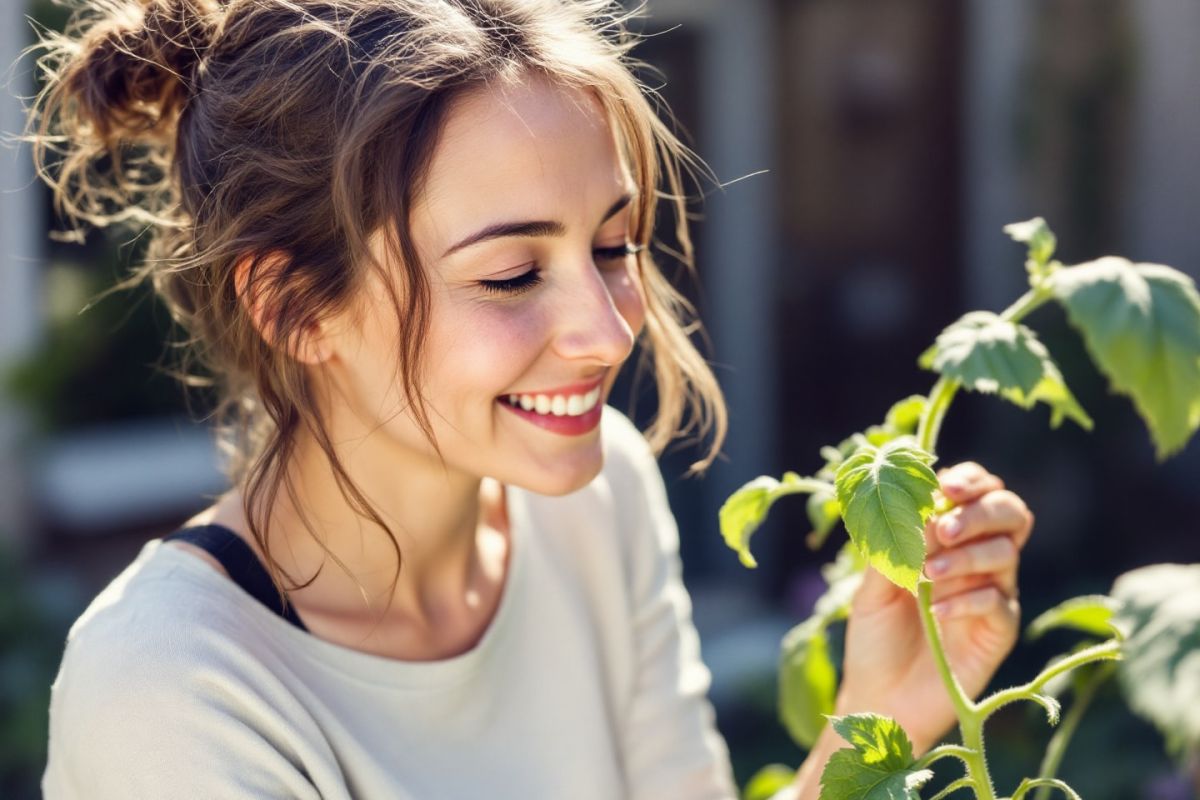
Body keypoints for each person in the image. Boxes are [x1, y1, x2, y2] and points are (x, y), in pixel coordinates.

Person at [26, 1, 1035, 798]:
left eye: (614, 245)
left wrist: (882, 719)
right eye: (512, 273)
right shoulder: (172, 691)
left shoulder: (599, 505)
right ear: (295, 306)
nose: (607, 330)